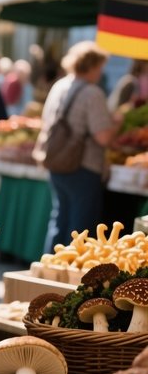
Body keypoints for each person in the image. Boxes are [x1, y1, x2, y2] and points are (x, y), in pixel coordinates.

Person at [33, 41, 119, 254]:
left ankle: (48, 271)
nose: (101, 72)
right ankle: (71, 279)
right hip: (82, 166)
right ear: (91, 66)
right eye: (100, 67)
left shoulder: (59, 86)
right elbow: (103, 137)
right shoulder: (92, 93)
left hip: (55, 162)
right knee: (80, 227)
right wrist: (117, 121)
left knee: (59, 221)